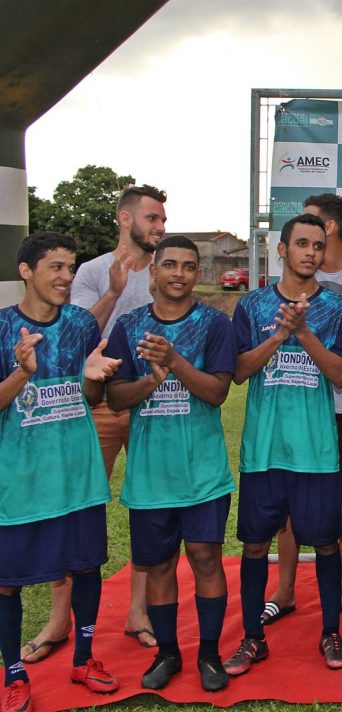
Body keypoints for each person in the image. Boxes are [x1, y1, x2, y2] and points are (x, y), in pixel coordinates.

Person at [32, 184, 167, 658]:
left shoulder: (169, 268)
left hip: (151, 401)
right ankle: (58, 620)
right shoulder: (90, 271)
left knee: (150, 506)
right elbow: (73, 333)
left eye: (163, 219)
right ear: (125, 219)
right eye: (152, 218)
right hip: (97, 403)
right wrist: (113, 291)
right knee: (77, 505)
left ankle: (139, 611)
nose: (160, 227)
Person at [103, 235, 237, 692]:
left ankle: (209, 655)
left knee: (205, 558)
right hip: (151, 476)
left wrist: (174, 360)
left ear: (198, 273)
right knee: (159, 566)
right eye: (171, 265)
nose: (179, 273)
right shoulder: (129, 327)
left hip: (203, 473)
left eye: (188, 266)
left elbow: (217, 393)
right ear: (154, 270)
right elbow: (115, 398)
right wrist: (150, 381)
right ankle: (167, 654)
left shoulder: (215, 324)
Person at [224, 213, 342, 674]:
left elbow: (340, 375)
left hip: (315, 453)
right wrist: (280, 335)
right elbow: (239, 371)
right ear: (282, 249)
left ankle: (330, 632)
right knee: (255, 546)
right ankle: (252, 638)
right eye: (302, 244)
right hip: (264, 451)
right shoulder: (253, 305)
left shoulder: (337, 308)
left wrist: (302, 333)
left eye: (318, 246)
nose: (310, 253)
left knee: (326, 544)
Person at [0, 232, 122, 712]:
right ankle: (13, 673)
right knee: (8, 580)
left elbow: (90, 396)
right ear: (26, 270)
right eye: (56, 267)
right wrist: (22, 373)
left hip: (78, 477)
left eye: (71, 268)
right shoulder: (4, 327)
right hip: (21, 482)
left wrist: (93, 378)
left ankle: (84, 659)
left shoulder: (80, 324)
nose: (66, 277)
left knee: (87, 565)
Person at [262, 194, 342, 628]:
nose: (307, 244)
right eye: (300, 240)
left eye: (312, 225)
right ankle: (284, 588)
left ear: (329, 227)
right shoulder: (284, 282)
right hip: (297, 409)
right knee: (291, 503)